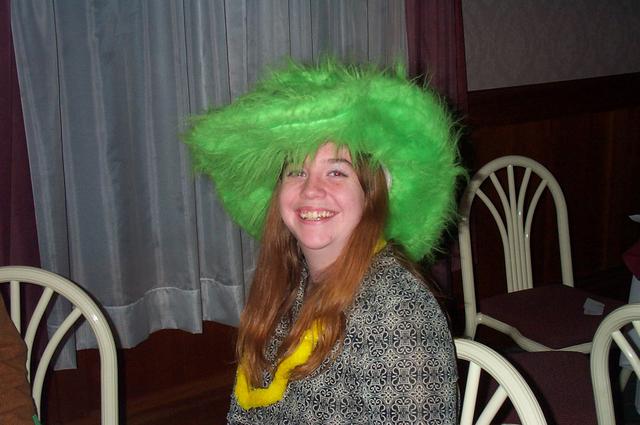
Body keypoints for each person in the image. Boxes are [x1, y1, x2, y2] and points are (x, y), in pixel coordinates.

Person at [185, 59, 464, 424]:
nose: (311, 190)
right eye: (296, 171)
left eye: (336, 172)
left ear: (372, 195)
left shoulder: (397, 312)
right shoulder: (290, 283)